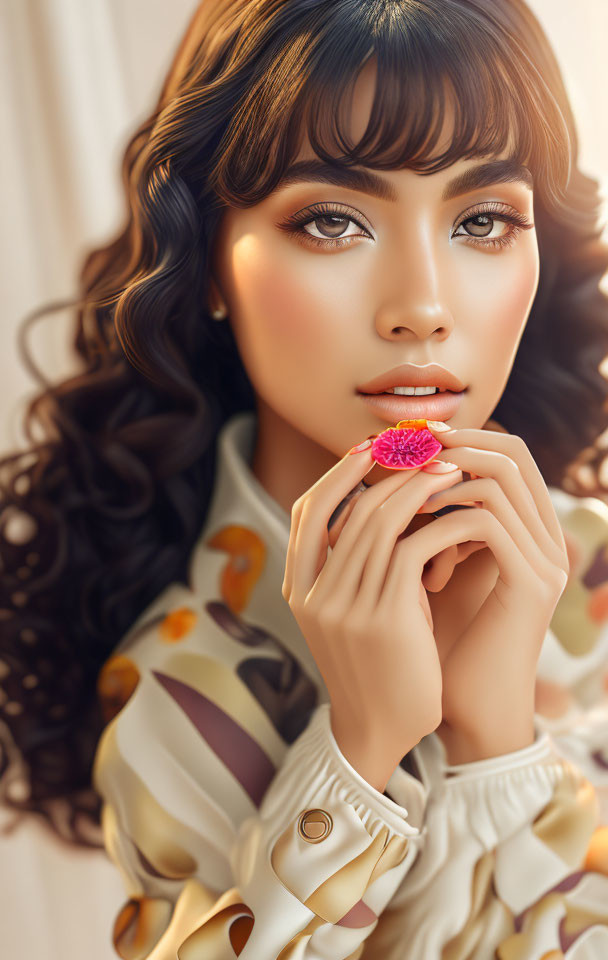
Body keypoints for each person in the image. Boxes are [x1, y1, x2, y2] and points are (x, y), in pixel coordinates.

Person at [1, 0, 608, 956]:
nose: (423, 307)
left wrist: (497, 734)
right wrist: (360, 755)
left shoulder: (591, 569)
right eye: (332, 220)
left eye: (484, 218)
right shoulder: (180, 690)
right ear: (204, 256)